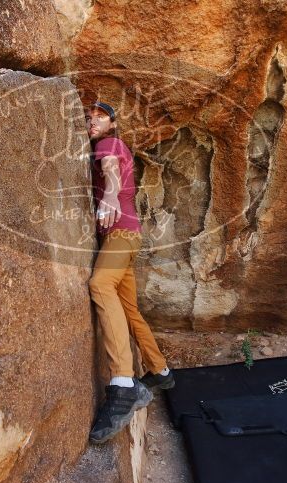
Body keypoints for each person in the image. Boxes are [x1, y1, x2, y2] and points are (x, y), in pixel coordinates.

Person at [85, 101, 175, 444]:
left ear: (113, 122)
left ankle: (123, 385)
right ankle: (160, 370)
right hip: (128, 235)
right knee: (129, 308)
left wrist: (108, 196)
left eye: (100, 117)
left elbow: (108, 169)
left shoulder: (108, 144)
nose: (93, 121)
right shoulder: (113, 144)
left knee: (99, 285)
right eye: (89, 117)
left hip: (121, 233)